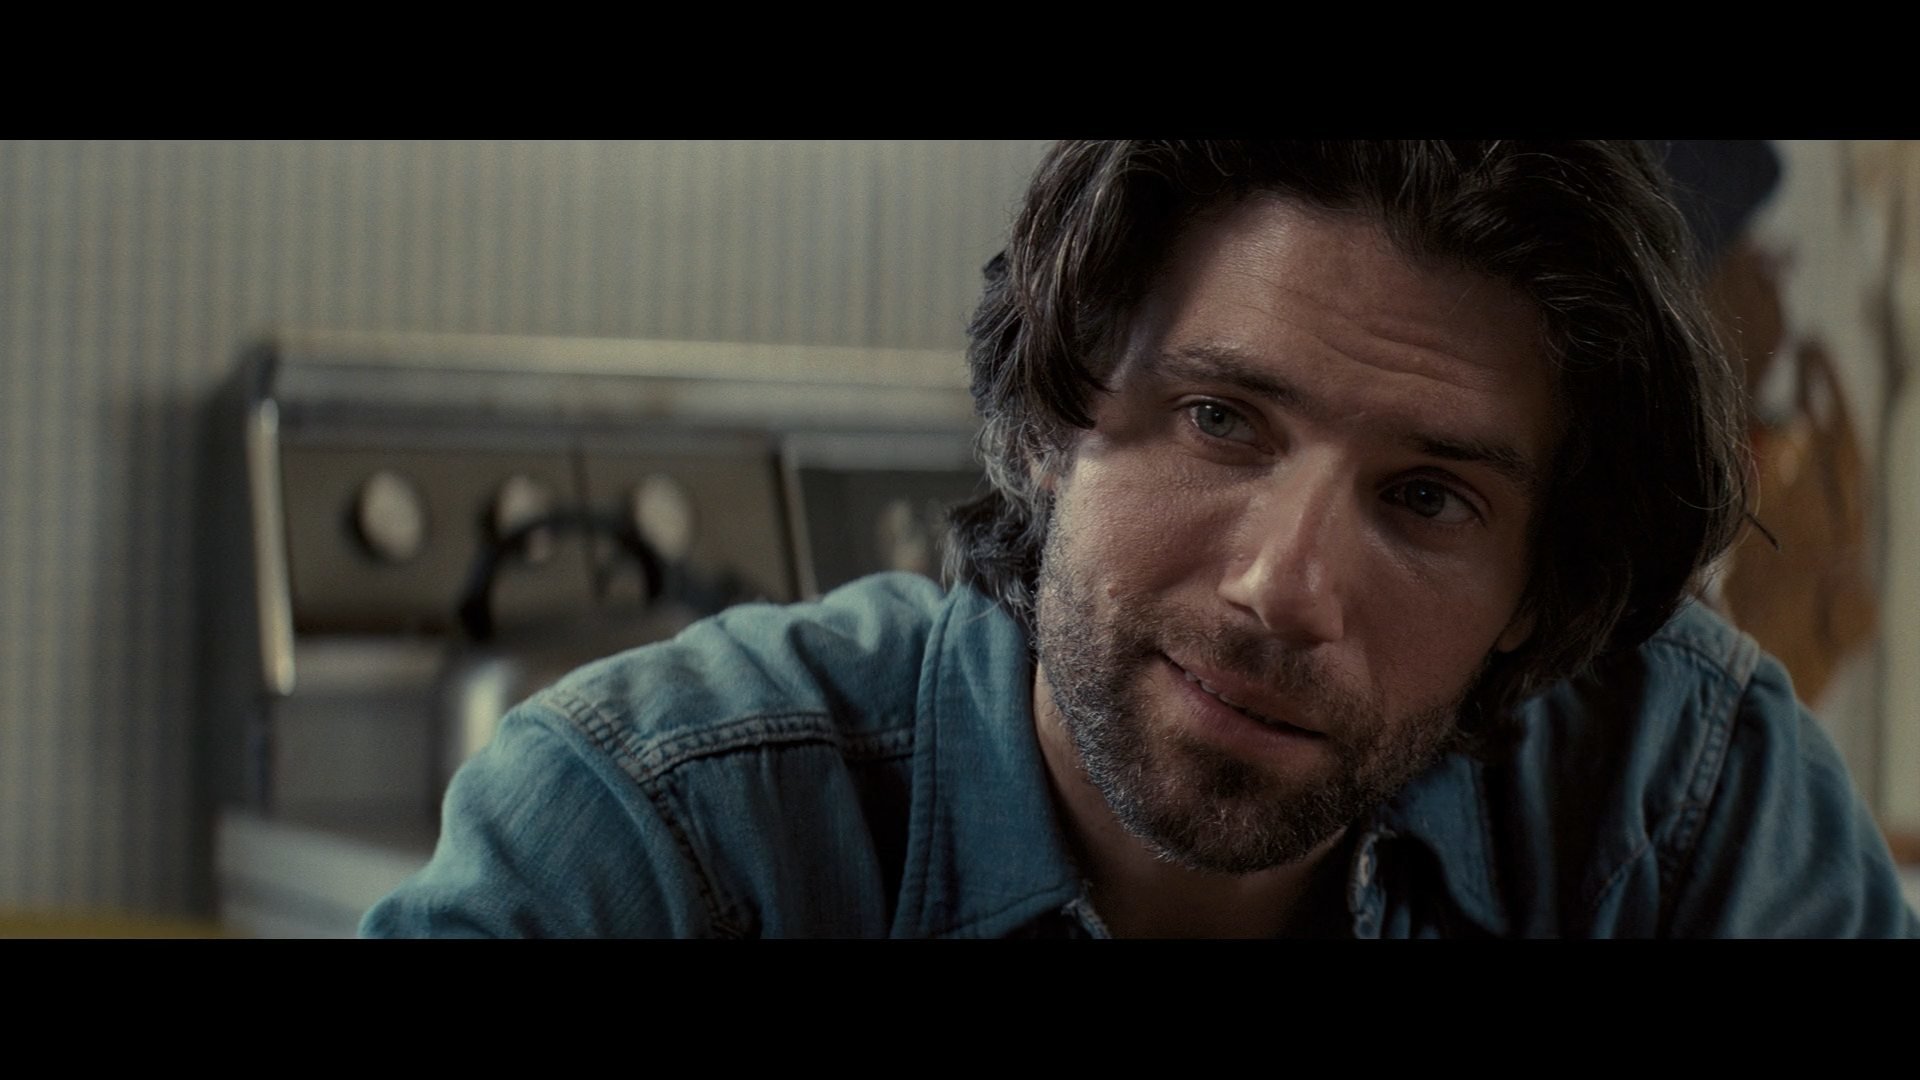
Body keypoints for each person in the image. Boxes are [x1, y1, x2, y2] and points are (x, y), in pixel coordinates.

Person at [361, 141, 1920, 938]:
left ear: (1538, 597)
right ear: (1056, 416)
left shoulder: (1679, 802)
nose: (1280, 589)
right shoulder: (665, 838)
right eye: (1221, 419)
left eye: (1428, 500)